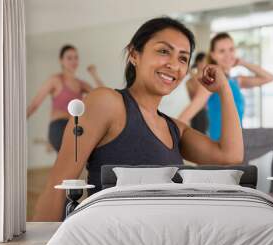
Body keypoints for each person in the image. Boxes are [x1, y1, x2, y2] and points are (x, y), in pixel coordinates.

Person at [33, 17, 244, 222]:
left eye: (182, 58)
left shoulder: (175, 129)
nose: (173, 64)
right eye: (163, 51)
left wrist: (224, 88)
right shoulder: (106, 103)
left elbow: (230, 155)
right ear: (134, 54)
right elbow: (58, 183)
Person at [178, 32, 273, 192]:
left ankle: (272, 195)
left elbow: (269, 78)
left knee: (241, 193)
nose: (228, 55)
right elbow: (188, 113)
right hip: (226, 141)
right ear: (212, 54)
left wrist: (241, 62)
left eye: (231, 49)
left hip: (237, 144)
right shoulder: (213, 81)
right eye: (222, 51)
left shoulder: (235, 81)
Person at [27, 44, 104, 152]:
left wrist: (94, 74)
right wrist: (17, 123)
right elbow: (34, 105)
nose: (73, 61)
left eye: (76, 58)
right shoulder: (55, 80)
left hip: (77, 127)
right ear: (61, 60)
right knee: (74, 158)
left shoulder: (81, 84)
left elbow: (103, 96)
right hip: (59, 127)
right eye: (69, 58)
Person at [186, 52, 208, 133]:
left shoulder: (206, 79)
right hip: (198, 114)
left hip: (205, 113)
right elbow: (195, 98)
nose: (207, 64)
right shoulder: (189, 82)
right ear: (199, 62)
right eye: (205, 61)